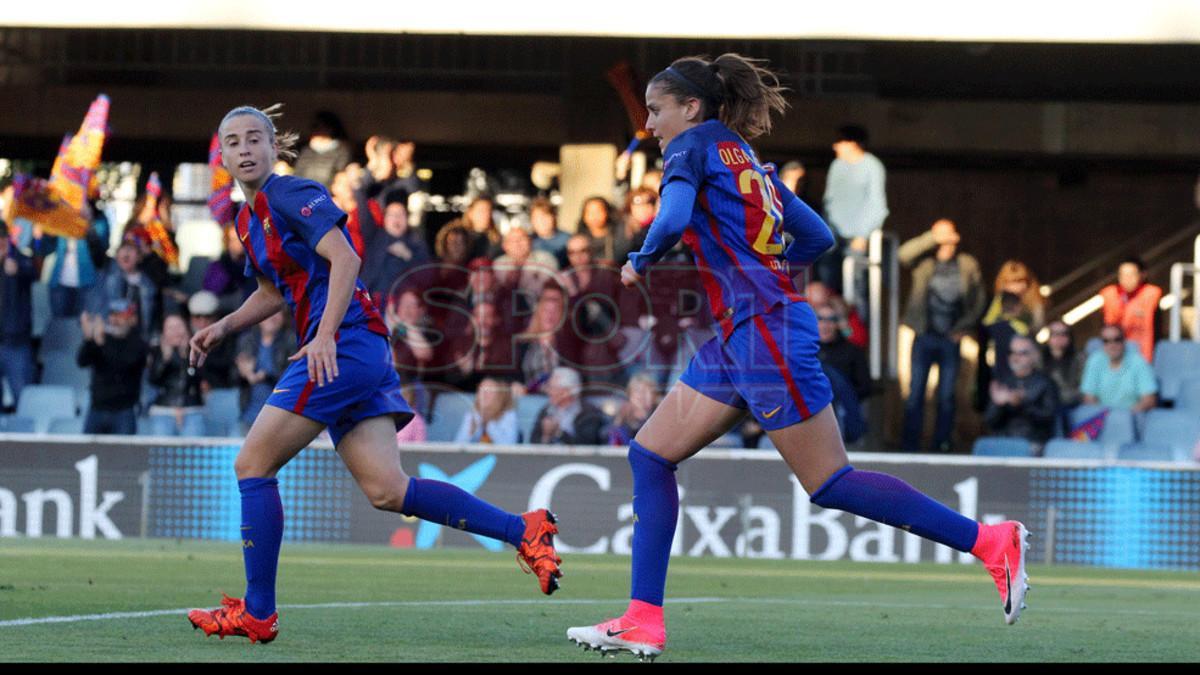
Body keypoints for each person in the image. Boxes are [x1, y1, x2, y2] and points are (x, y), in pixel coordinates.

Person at [565, 54, 1027, 661]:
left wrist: (640, 257)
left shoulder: (690, 147)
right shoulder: (745, 158)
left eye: (655, 110)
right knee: (649, 454)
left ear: (691, 108)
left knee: (830, 481)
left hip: (763, 333)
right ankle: (643, 619)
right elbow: (814, 237)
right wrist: (764, 273)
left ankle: (990, 541)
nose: (649, 123)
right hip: (744, 333)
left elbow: (673, 215)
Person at [185, 105, 561, 645]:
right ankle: (522, 529)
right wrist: (222, 326)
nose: (244, 149)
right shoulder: (248, 219)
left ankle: (258, 612)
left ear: (275, 148)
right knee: (388, 489)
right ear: (222, 156)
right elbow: (274, 290)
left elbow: (346, 259)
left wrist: (324, 334)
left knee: (252, 463)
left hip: (342, 347)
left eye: (254, 139)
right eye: (233, 142)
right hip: (355, 350)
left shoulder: (291, 193)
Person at [898, 218, 986, 453]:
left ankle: (942, 443)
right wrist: (932, 238)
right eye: (940, 237)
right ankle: (910, 445)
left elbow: (978, 300)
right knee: (915, 393)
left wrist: (964, 327)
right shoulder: (924, 262)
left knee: (947, 396)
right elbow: (902, 255)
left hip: (951, 338)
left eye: (949, 236)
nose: (946, 242)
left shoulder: (967, 264)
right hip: (924, 335)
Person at [817, 124, 888, 305]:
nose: (835, 146)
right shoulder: (836, 166)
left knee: (857, 289)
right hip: (833, 238)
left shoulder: (872, 166)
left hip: (856, 239)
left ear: (853, 143)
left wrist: (863, 235)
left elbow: (877, 204)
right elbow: (829, 202)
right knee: (826, 285)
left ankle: (857, 332)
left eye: (840, 142)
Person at [77, 299, 148, 435]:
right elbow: (82, 361)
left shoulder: (138, 343)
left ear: (132, 319)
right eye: (112, 315)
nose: (115, 320)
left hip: (123, 411)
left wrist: (99, 342)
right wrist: (89, 339)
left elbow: (123, 364)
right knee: (88, 453)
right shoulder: (102, 339)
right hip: (97, 409)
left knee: (123, 454)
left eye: (121, 316)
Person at [983, 335, 1061, 449]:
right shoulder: (1003, 382)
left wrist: (1021, 404)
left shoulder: (1046, 383)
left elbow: (1049, 419)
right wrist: (998, 405)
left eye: (1022, 353)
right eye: (1012, 352)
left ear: (1034, 356)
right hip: (1004, 442)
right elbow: (990, 421)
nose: (1015, 357)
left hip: (1034, 444)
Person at [147, 313, 206, 437]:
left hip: (191, 410)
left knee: (192, 453)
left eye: (178, 327)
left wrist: (187, 357)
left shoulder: (196, 351)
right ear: (164, 332)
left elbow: (199, 379)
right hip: (164, 410)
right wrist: (165, 359)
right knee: (161, 452)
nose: (175, 332)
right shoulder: (156, 350)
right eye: (170, 328)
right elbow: (153, 380)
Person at [236, 309, 294, 431]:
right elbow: (231, 378)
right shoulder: (247, 341)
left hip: (279, 417)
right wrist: (243, 373)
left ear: (284, 317)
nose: (272, 317)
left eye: (277, 313)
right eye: (268, 313)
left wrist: (266, 376)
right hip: (249, 414)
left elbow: (293, 379)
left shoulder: (291, 340)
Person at [1079, 323, 1158, 413]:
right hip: (1102, 417)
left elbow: (1149, 400)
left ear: (1124, 341)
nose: (1112, 345)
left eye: (1117, 339)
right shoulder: (1094, 361)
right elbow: (1089, 397)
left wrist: (1123, 417)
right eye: (1106, 341)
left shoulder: (1138, 362)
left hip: (1132, 416)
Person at [1099, 257, 1162, 363]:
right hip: (1113, 356)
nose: (1126, 278)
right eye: (1123, 275)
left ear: (1142, 275)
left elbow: (1157, 329)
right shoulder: (1109, 295)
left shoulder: (1151, 295)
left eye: (1131, 274)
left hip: (1143, 355)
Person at [0, 221, 36, 405]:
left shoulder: (20, 259)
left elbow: (32, 271)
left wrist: (17, 269)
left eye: (2, 238)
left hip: (15, 342)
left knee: (23, 399)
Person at [529, 367, 608, 445]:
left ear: (567, 391)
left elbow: (586, 444)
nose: (548, 392)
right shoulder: (546, 410)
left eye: (552, 388)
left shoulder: (589, 413)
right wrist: (545, 436)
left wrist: (558, 432)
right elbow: (533, 441)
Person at [453, 377, 520, 444]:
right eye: (481, 390)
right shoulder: (472, 415)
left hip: (498, 454)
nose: (484, 394)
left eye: (489, 390)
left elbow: (508, 446)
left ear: (499, 395)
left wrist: (488, 423)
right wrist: (472, 430)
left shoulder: (508, 415)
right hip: (477, 454)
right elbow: (458, 445)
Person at [1041, 319, 1085, 409]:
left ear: (1069, 337)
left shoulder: (1080, 358)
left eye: (1063, 334)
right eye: (1055, 334)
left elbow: (1085, 389)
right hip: (1047, 410)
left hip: (1075, 407)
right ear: (1049, 337)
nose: (1059, 337)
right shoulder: (1039, 360)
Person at [529, 197, 570, 268]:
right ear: (531, 220)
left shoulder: (568, 239)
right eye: (537, 218)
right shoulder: (527, 241)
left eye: (545, 216)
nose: (541, 221)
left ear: (554, 217)